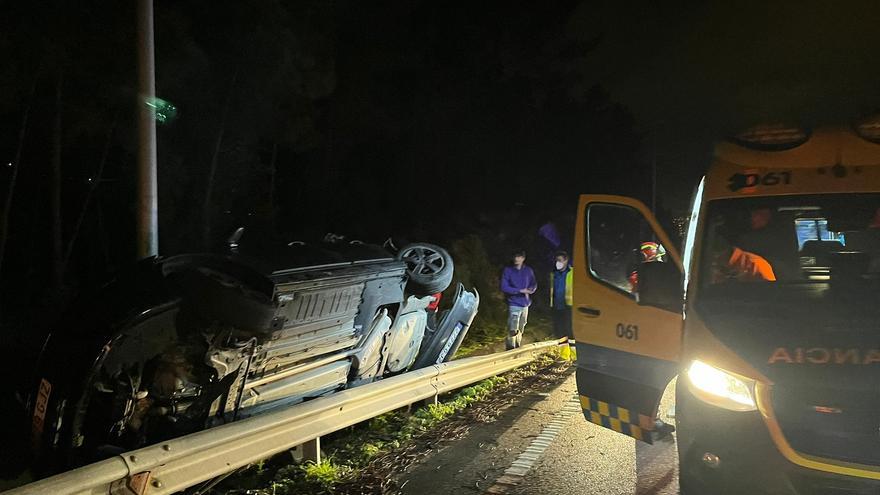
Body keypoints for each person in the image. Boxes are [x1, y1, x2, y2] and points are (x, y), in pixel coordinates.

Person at [500, 249, 537, 350]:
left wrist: (531, 290)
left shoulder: (528, 270)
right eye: (515, 257)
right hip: (514, 303)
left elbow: (533, 284)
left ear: (523, 258)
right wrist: (519, 290)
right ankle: (510, 347)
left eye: (519, 257)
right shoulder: (508, 270)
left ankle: (517, 345)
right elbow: (504, 287)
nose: (516, 259)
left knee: (521, 326)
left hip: (525, 303)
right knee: (513, 328)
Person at [549, 251, 575, 360]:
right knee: (560, 331)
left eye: (560, 260)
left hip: (570, 307)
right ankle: (564, 356)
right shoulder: (553, 274)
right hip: (557, 306)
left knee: (571, 332)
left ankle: (575, 356)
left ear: (566, 260)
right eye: (556, 260)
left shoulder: (573, 272)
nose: (557, 263)